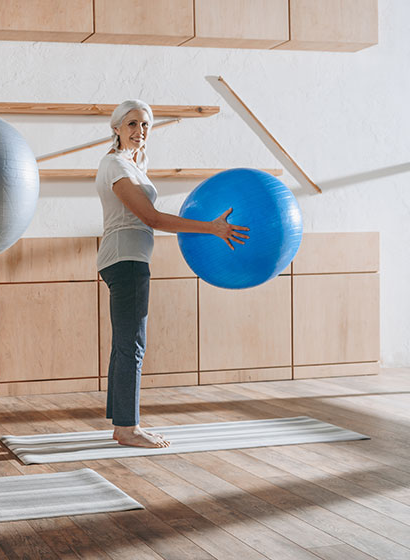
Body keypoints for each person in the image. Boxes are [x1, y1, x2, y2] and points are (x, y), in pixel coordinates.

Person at [96, 99, 249, 448]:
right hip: (126, 260)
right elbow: (152, 218)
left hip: (127, 258)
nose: (140, 131)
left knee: (125, 344)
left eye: (146, 125)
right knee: (133, 343)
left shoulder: (131, 166)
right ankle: (128, 428)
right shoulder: (115, 165)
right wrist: (212, 229)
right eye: (132, 124)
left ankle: (121, 422)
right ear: (117, 128)